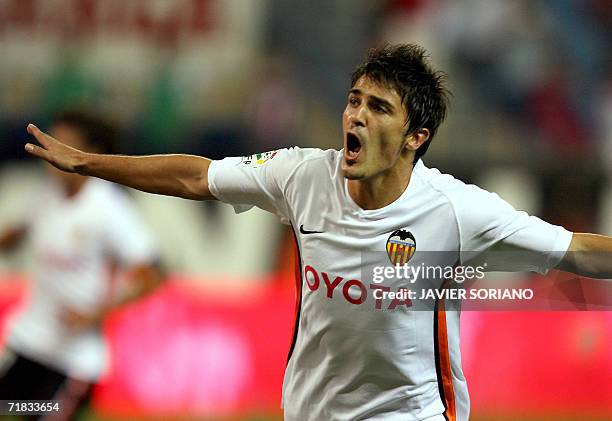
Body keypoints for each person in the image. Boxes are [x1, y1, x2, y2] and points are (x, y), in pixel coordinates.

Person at [23, 45, 611, 421]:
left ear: (416, 136)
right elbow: (195, 175)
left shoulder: (458, 212)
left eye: (379, 107)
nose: (355, 115)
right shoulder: (303, 175)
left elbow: (580, 252)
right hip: (310, 411)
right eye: (354, 100)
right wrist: (94, 164)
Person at [0, 110, 163, 420]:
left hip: (73, 360)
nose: (53, 153)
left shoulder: (109, 208)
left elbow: (152, 274)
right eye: (51, 142)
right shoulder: (46, 193)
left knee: (39, 414)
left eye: (64, 144)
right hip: (30, 341)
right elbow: (18, 233)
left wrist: (95, 314)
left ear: (92, 154)